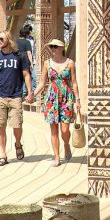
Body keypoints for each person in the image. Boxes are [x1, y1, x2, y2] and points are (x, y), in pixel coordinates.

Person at [34, 38, 81, 167]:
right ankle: (57, 157)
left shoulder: (70, 63)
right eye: (51, 47)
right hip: (51, 98)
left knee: (65, 130)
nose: (53, 49)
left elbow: (74, 82)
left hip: (66, 98)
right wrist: (32, 94)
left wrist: (77, 100)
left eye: (55, 46)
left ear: (62, 48)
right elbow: (42, 83)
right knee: (54, 130)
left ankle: (66, 144)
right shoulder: (47, 63)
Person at [0, 30, 34, 165]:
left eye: (1, 39)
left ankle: (17, 143)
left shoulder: (19, 56)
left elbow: (26, 75)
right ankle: (2, 154)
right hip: (0, 95)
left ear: (8, 40)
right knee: (0, 126)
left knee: (17, 125)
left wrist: (30, 92)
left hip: (16, 95)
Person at [18, 24, 36, 95]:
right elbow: (29, 53)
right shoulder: (27, 42)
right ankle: (29, 93)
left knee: (22, 77)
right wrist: (31, 63)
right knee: (27, 76)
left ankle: (23, 93)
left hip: (18, 60)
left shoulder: (16, 41)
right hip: (26, 60)